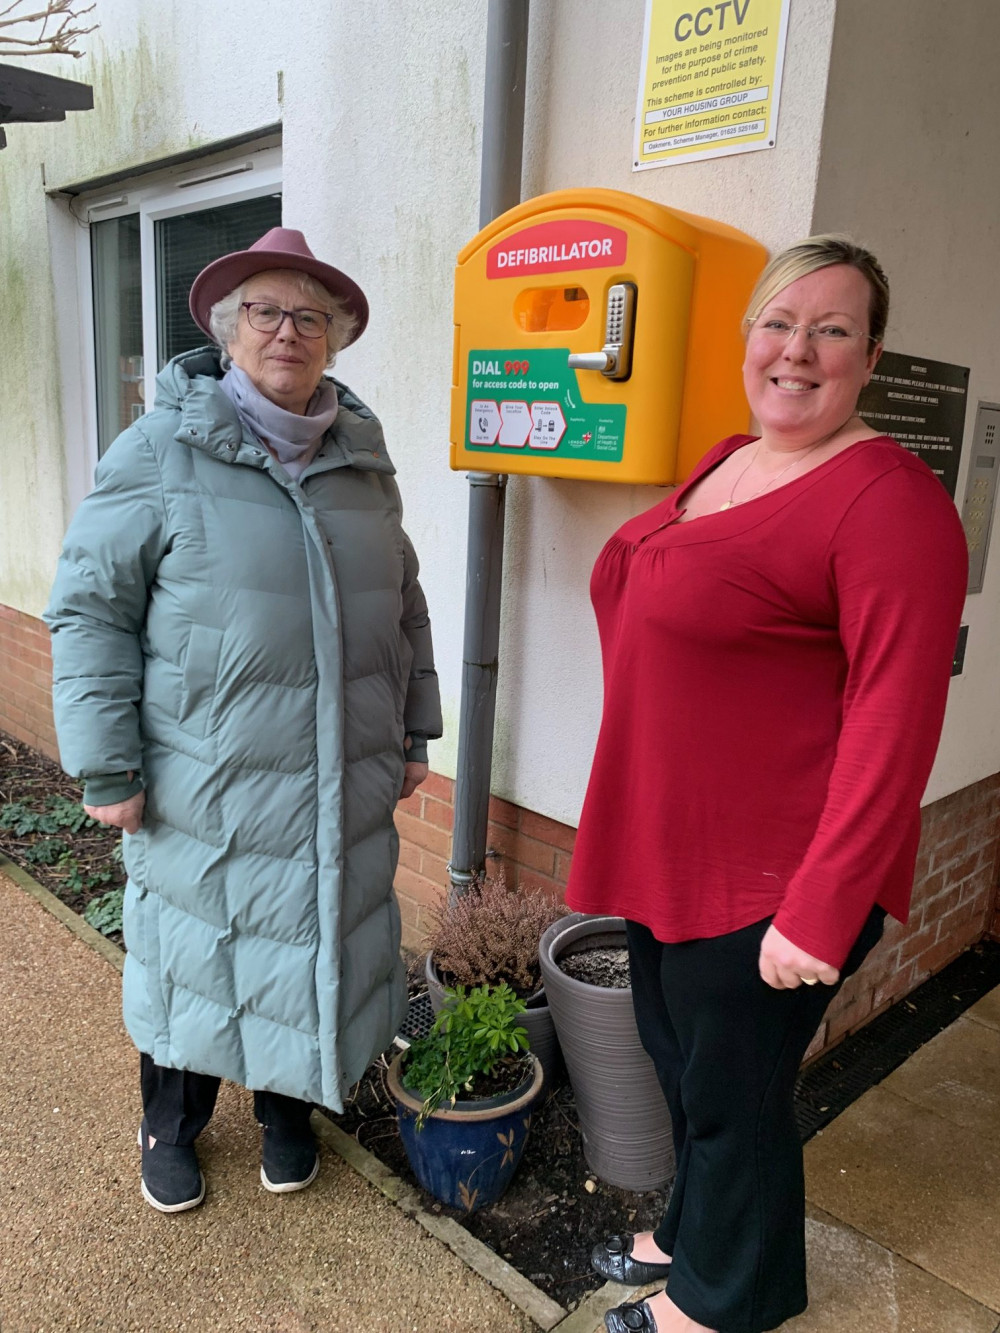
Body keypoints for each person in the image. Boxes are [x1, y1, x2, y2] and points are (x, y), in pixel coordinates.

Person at [565, 236, 967, 1333]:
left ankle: (719, 1301)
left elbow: (895, 719)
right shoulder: (727, 457)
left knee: (733, 1098)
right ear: (747, 337)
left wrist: (821, 909)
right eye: (778, 322)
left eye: (831, 329)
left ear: (870, 355)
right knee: (685, 1069)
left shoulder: (891, 504)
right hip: (673, 845)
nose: (798, 350)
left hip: (772, 873)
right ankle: (693, 1231)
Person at [45, 227, 442, 1213]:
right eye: (264, 311)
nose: (287, 331)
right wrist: (105, 764)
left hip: (332, 770)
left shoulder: (360, 459)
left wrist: (413, 727)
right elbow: (90, 602)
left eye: (311, 317)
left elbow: (406, 600)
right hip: (203, 774)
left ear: (334, 340)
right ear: (228, 330)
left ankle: (285, 1113)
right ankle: (169, 1125)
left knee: (304, 938)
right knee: (196, 950)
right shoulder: (159, 448)